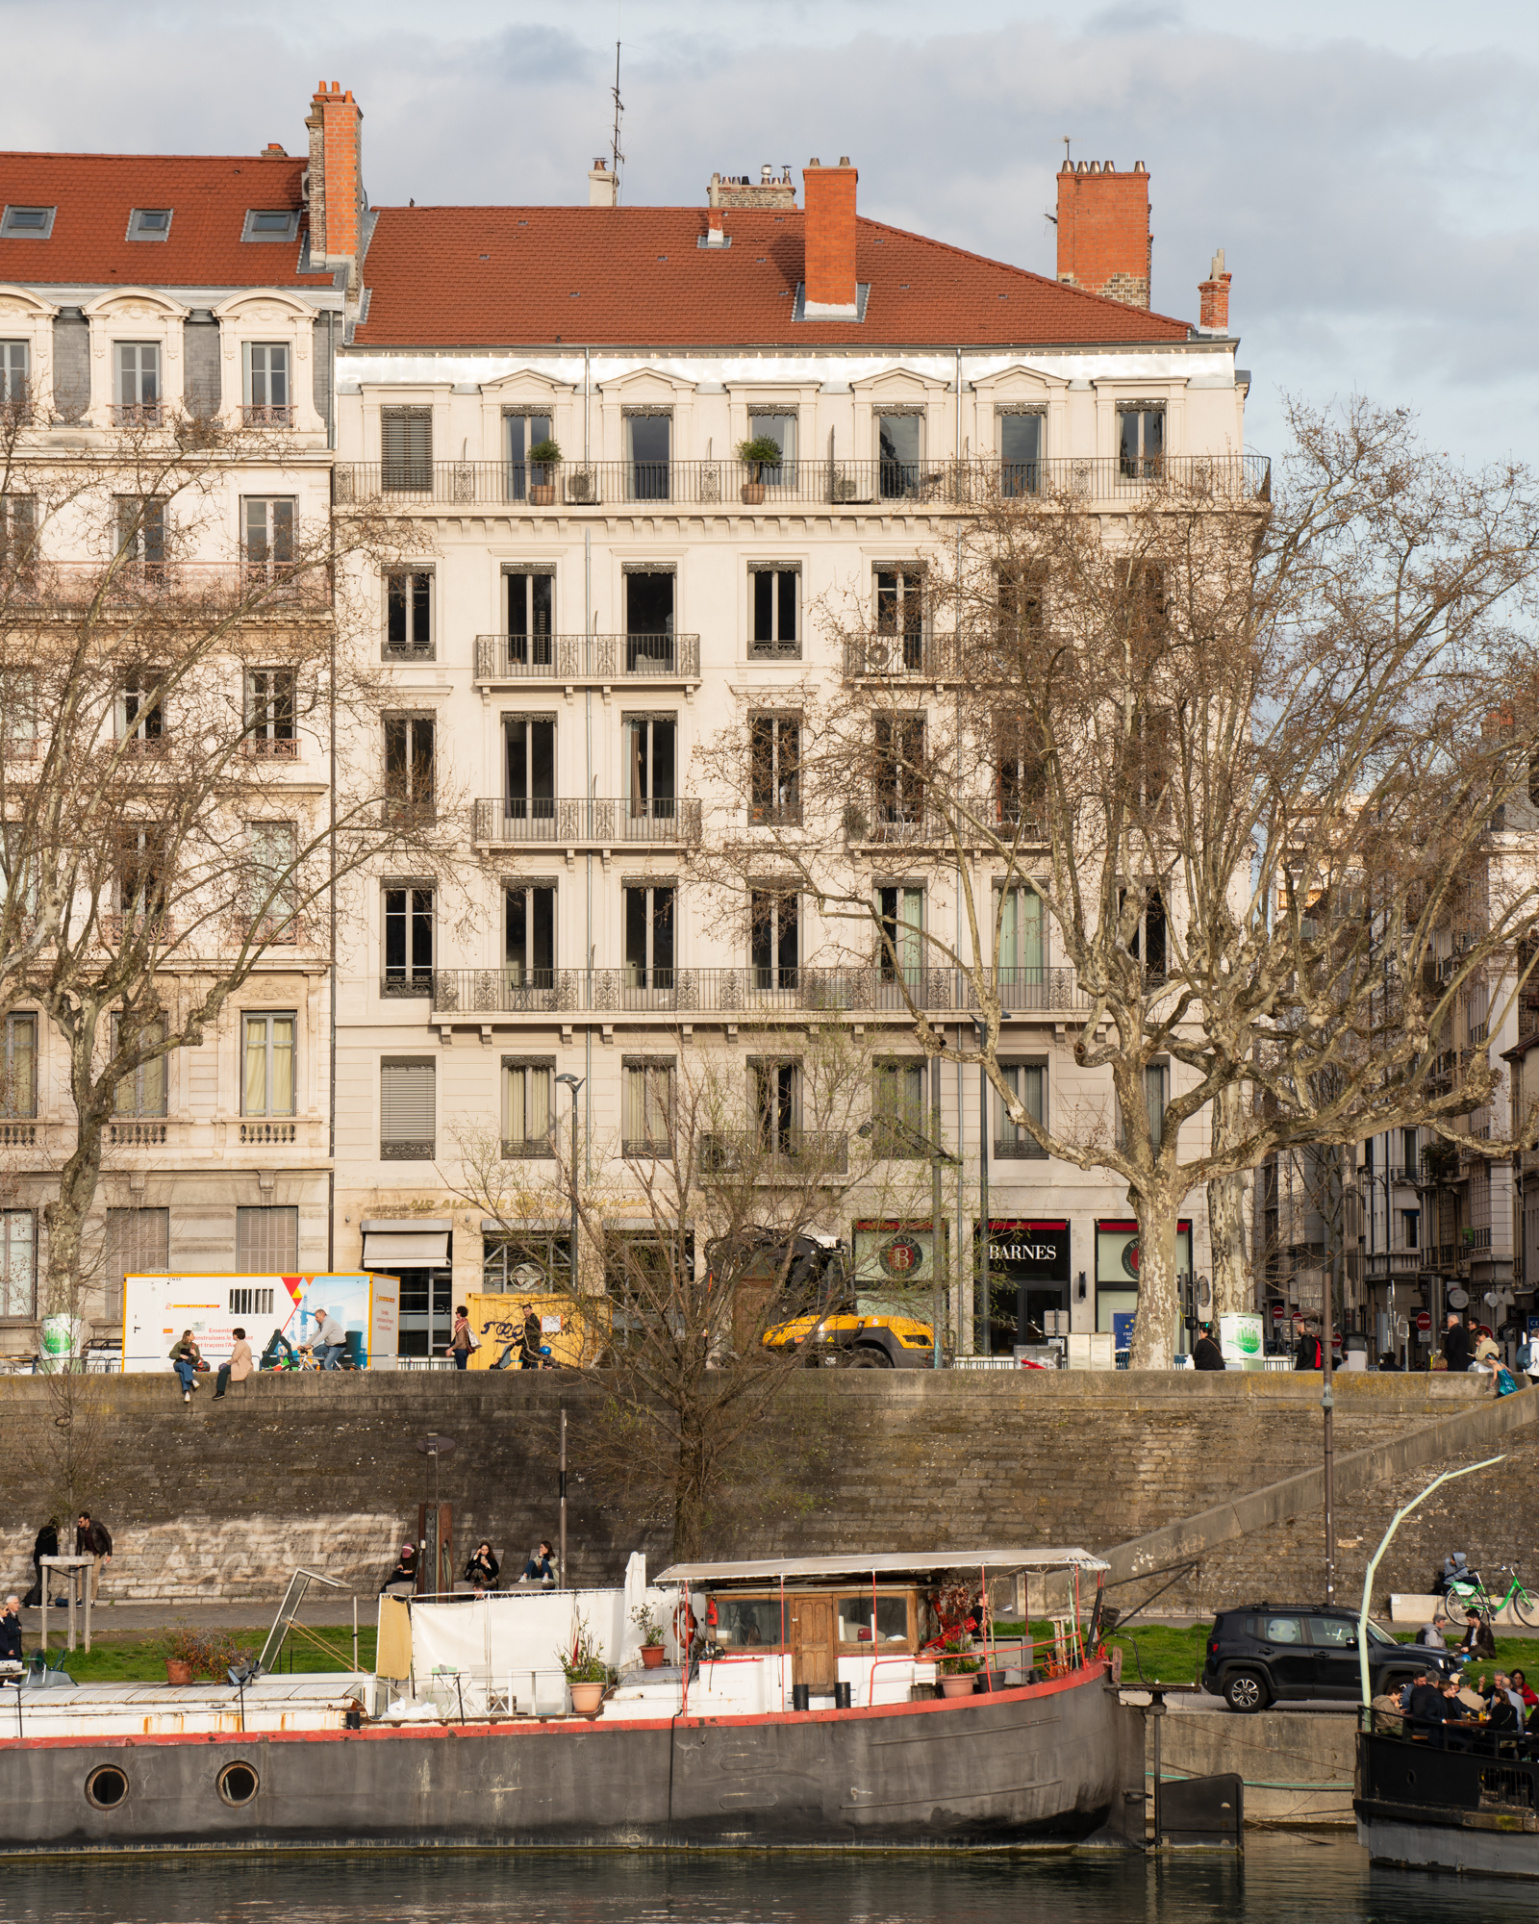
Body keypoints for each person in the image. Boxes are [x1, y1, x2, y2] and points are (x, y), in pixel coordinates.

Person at [21, 1518, 58, 1610]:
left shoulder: (42, 1531)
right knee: (45, 1579)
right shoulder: (52, 1532)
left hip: (37, 1558)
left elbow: (37, 1544)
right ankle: (40, 1601)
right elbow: (52, 1547)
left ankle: (35, 1600)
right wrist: (55, 1558)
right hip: (45, 1559)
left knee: (40, 1579)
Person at [75, 1512, 112, 1604]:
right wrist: (78, 1559)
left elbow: (108, 1538)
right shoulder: (80, 1529)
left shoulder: (97, 1526)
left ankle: (92, 1599)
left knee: (94, 1575)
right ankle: (80, 1598)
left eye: (81, 1522)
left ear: (87, 1520)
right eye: (79, 1522)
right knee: (79, 1574)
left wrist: (109, 1554)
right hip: (87, 1552)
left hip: (98, 1552)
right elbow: (79, 1545)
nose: (79, 1524)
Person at [213, 1327, 253, 1400]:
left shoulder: (240, 1344)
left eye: (233, 1334)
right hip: (243, 1364)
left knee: (223, 1371)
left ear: (236, 1335)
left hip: (241, 1366)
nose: (233, 1336)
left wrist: (228, 1363)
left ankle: (221, 1392)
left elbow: (235, 1357)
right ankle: (220, 1392)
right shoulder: (243, 1343)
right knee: (225, 1369)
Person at [1406, 1674, 1447, 1746]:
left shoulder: (1415, 1690)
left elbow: (1411, 1709)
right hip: (1431, 1729)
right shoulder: (1438, 1693)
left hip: (1416, 1725)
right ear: (1437, 1682)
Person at [169, 1330, 203, 1400]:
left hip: (188, 1365)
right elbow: (171, 1354)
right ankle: (192, 1380)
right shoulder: (179, 1344)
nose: (194, 1336)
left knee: (182, 1373)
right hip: (178, 1364)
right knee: (184, 1365)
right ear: (187, 1336)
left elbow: (196, 1360)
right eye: (192, 1335)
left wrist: (195, 1354)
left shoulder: (195, 1346)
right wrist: (180, 1355)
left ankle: (187, 1393)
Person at [0, 1597, 22, 1681]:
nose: (7, 1612)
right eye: (5, 1610)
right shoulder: (5, 1620)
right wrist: (7, 1650)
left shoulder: (5, 1620)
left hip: (10, 1652)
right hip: (5, 1653)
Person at [447, 1306, 475, 1371]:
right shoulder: (466, 1323)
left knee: (461, 1371)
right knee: (463, 1369)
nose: (456, 1314)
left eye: (457, 1312)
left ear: (460, 1314)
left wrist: (451, 1348)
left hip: (460, 1350)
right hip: (465, 1350)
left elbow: (460, 1341)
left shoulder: (460, 1325)